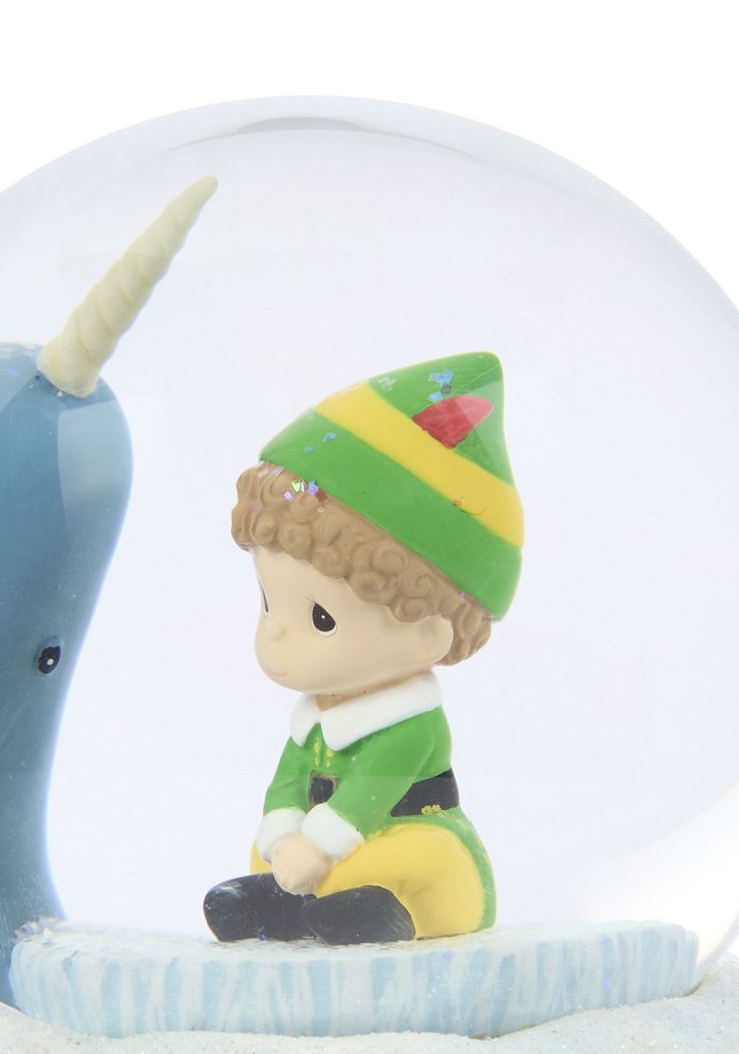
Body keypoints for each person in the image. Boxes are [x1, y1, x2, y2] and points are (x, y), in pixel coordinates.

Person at [204, 352, 522, 944]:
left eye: (320, 618)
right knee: (268, 848)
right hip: (326, 841)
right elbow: (287, 782)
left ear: (426, 634)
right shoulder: (314, 721)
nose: (276, 633)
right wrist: (284, 833)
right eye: (269, 604)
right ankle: (297, 902)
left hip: (408, 831)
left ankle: (379, 910)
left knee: (416, 857)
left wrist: (319, 847)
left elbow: (369, 796)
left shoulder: (410, 726)